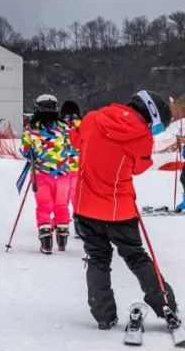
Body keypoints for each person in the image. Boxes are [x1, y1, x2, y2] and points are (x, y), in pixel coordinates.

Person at [72, 90, 179, 330]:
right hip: (119, 210)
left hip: (85, 207)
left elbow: (74, 140)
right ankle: (166, 305)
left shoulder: (92, 119)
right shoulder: (142, 136)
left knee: (97, 258)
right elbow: (140, 168)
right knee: (136, 256)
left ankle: (103, 315)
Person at [20, 95, 74, 253]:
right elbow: (72, 148)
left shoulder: (30, 128)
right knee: (62, 205)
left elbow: (25, 151)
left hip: (41, 174)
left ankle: (46, 243)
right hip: (63, 173)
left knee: (44, 206)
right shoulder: (64, 127)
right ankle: (62, 240)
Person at [60, 99, 83, 215]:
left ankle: (60, 223)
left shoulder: (59, 125)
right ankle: (79, 221)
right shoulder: (82, 124)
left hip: (62, 166)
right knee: (76, 197)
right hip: (78, 166)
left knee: (61, 198)